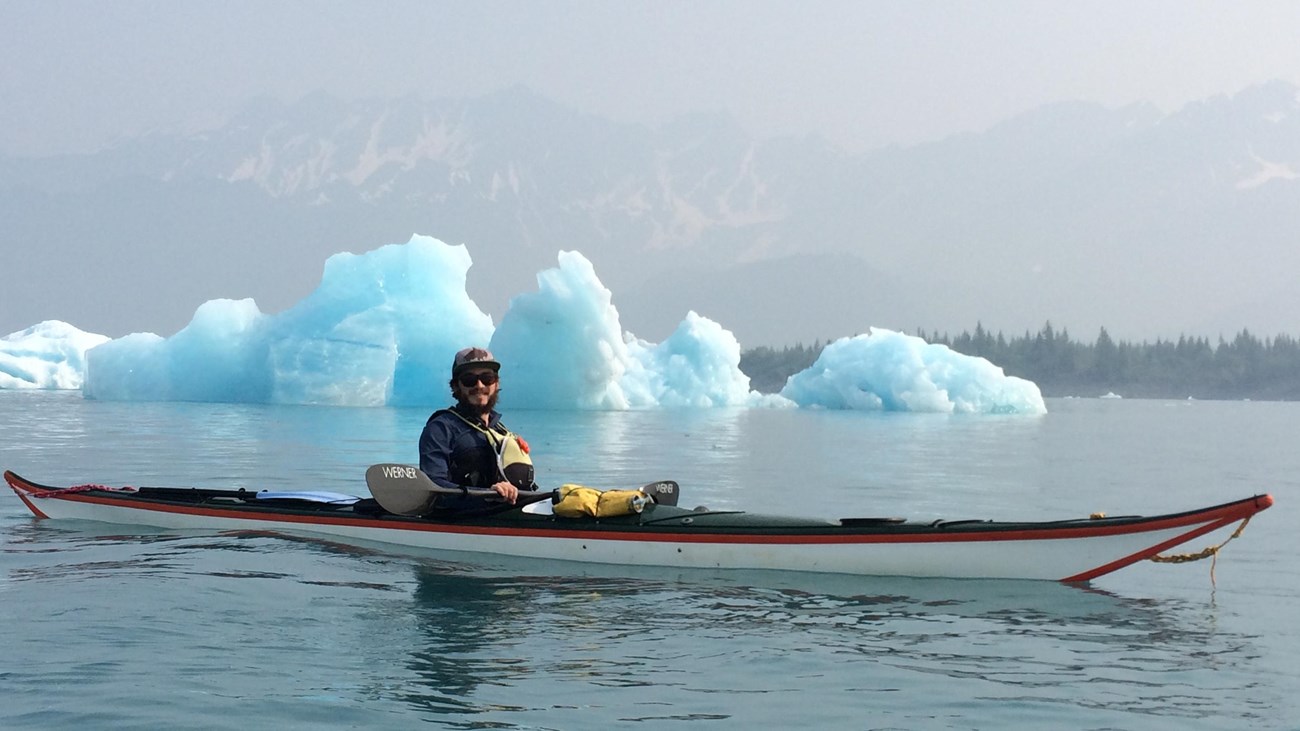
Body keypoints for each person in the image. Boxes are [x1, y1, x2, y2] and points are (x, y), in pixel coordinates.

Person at [418, 347, 537, 511]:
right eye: (469, 380)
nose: (479, 385)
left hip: (508, 512)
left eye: (487, 378)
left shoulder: (500, 431)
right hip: (464, 517)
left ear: (496, 383)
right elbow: (434, 484)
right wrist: (489, 493)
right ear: (455, 386)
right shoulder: (441, 428)